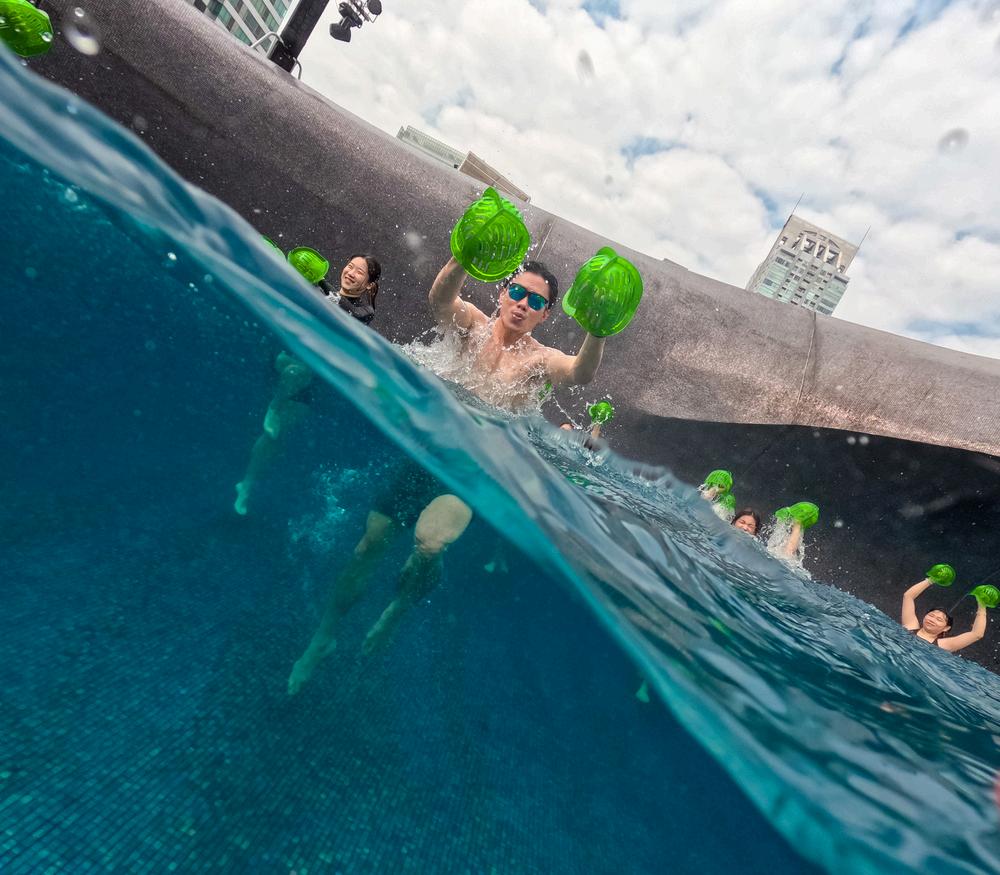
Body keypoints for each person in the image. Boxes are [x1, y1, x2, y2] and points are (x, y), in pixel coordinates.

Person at [288, 253, 610, 694]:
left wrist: (598, 330)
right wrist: (464, 256)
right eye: (517, 292)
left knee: (429, 542)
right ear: (503, 292)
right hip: (428, 454)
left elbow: (580, 373)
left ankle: (397, 609)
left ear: (546, 314)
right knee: (370, 543)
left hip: (473, 472)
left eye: (535, 301)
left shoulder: (540, 360)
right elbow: (440, 299)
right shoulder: (473, 325)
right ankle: (323, 637)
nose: (522, 304)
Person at [234, 254, 381, 515]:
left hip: (314, 381)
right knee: (295, 372)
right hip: (289, 362)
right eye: (349, 266)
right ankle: (275, 405)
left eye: (359, 271)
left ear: (369, 284)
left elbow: (346, 311)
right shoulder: (325, 296)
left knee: (274, 437)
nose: (350, 272)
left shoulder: (364, 312)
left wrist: (320, 282)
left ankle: (246, 484)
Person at [900, 575, 987, 652]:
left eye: (939, 619)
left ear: (946, 628)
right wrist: (931, 580)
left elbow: (977, 634)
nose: (932, 620)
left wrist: (982, 605)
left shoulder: (943, 646)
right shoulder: (910, 626)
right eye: (931, 615)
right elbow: (908, 596)